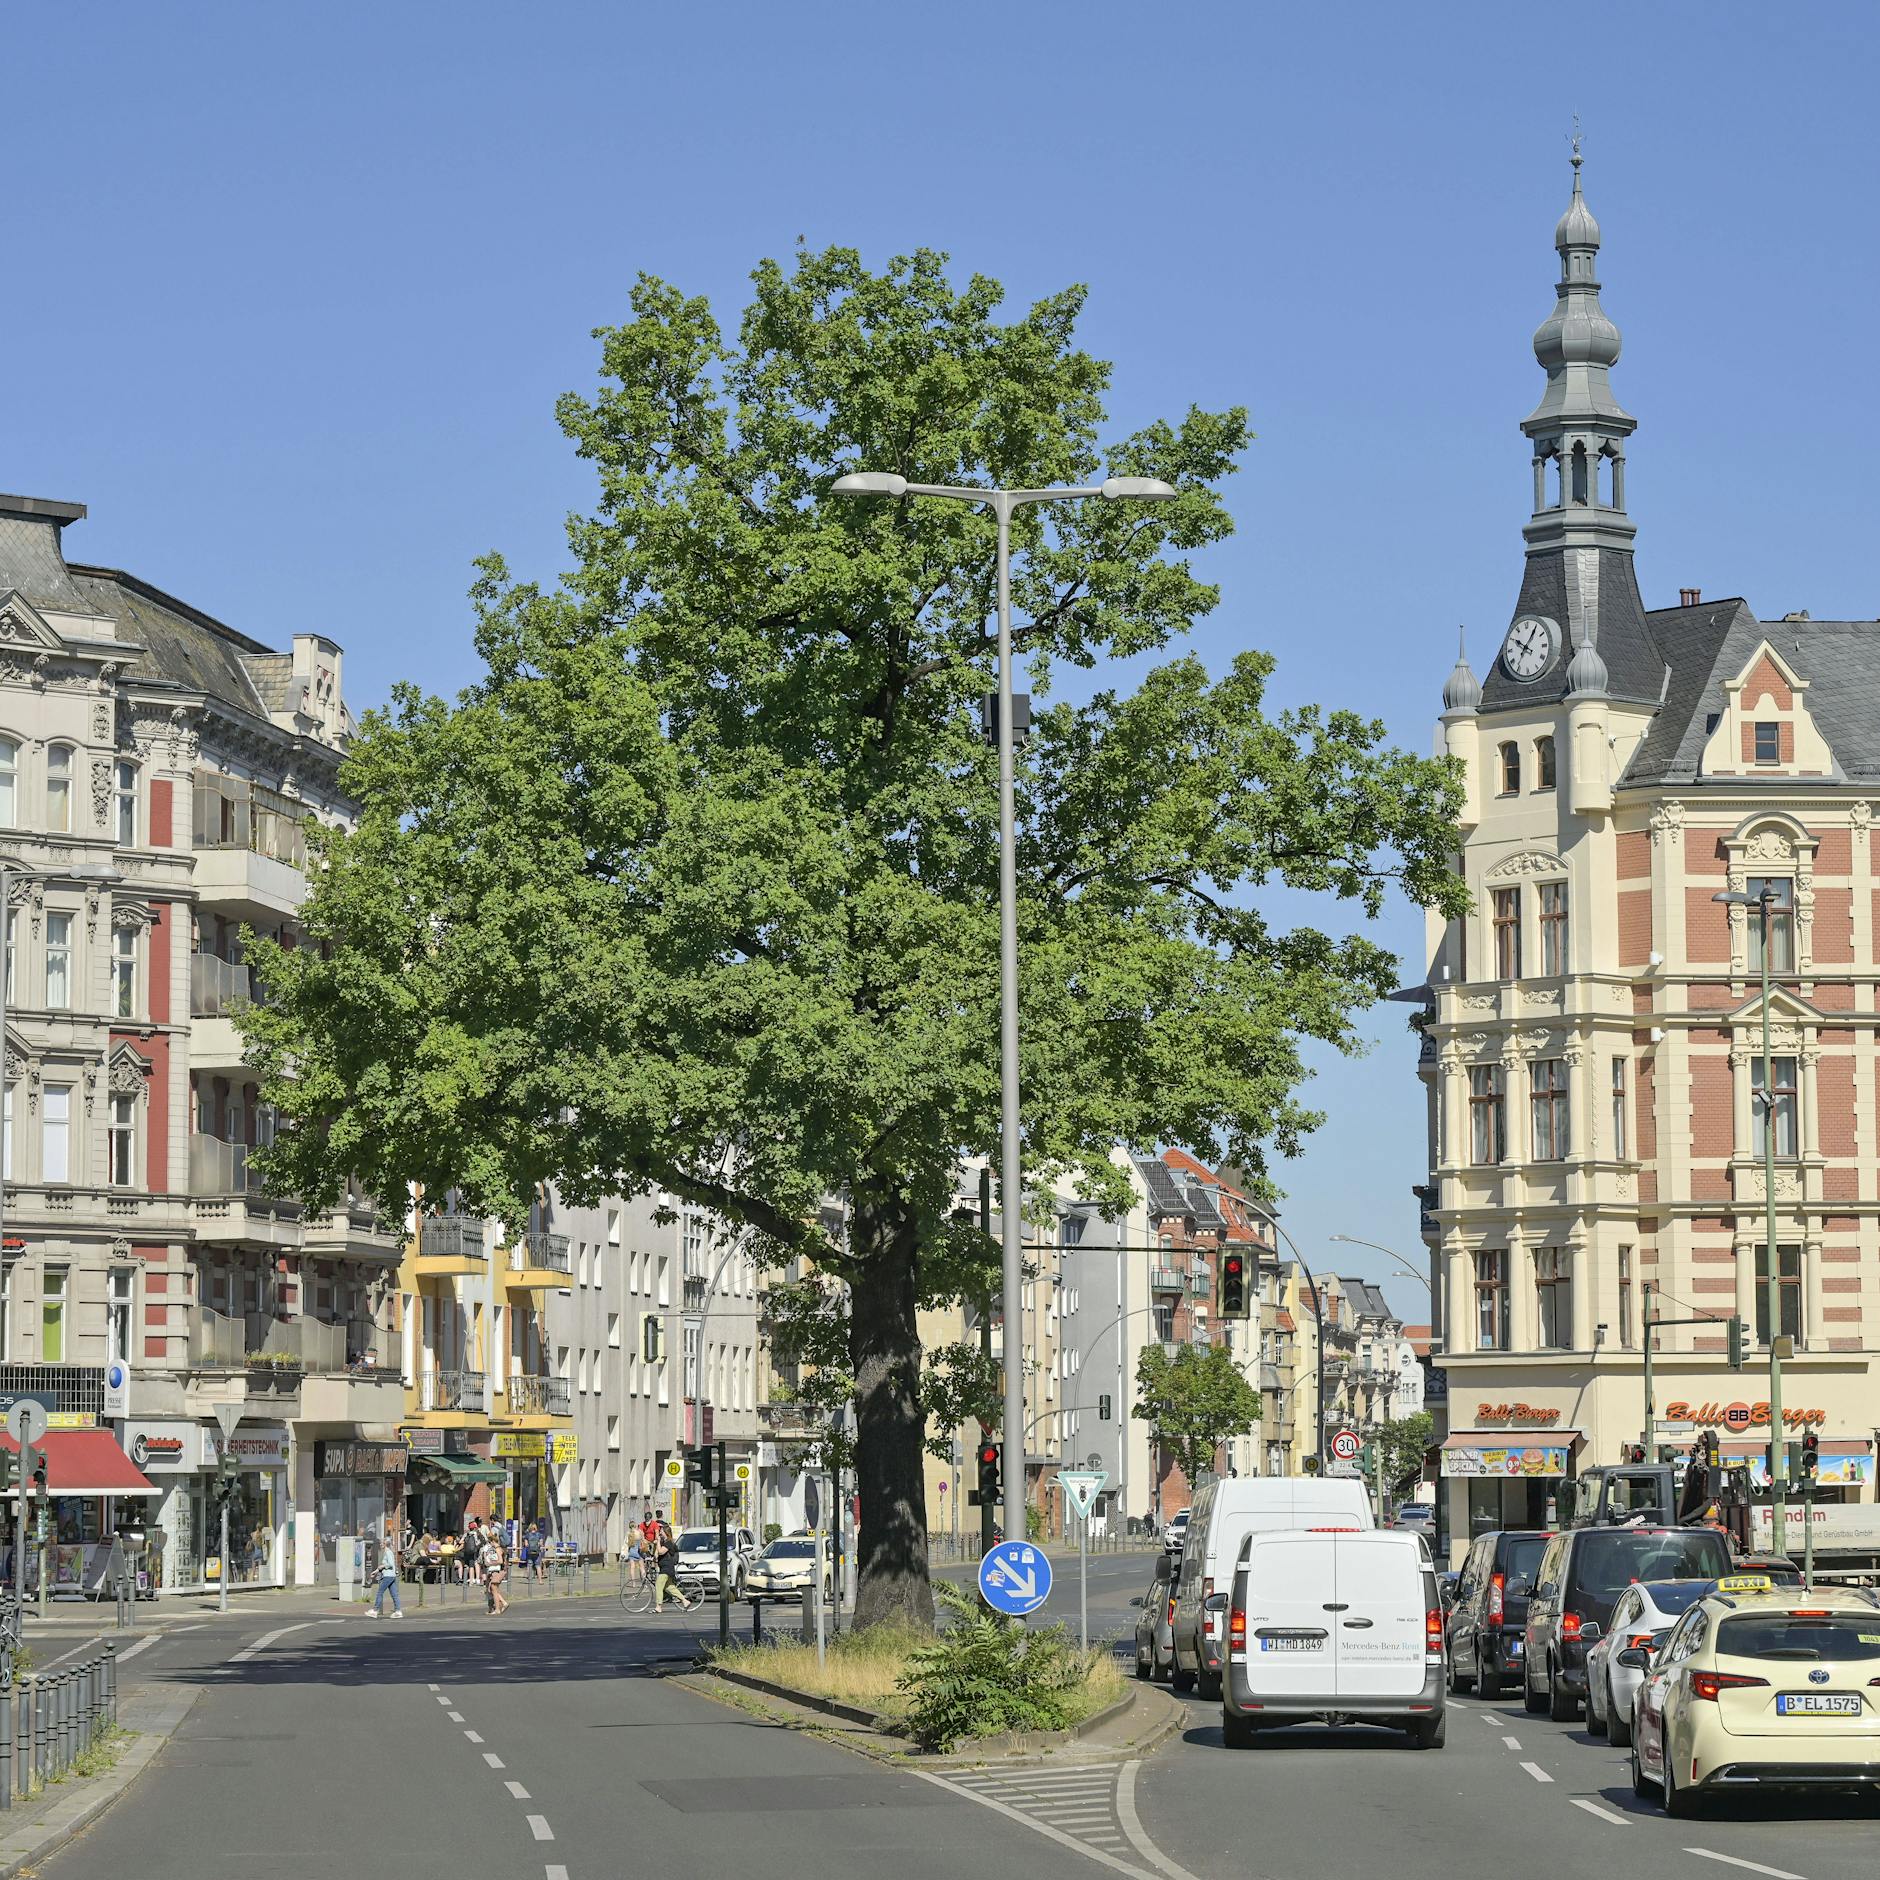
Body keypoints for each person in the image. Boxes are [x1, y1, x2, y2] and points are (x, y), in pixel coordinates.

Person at [370, 1534, 404, 1618]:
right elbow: (385, 1565)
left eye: (381, 1543)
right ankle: (398, 1611)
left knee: (380, 1592)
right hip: (391, 1576)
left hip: (388, 1576)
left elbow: (390, 1564)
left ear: (385, 1544)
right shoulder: (387, 1552)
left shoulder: (388, 1552)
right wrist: (376, 1571)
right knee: (394, 1594)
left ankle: (375, 1610)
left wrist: (383, 1566)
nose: (380, 1544)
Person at [652, 1515, 681, 1610]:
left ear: (665, 1533)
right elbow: (657, 1554)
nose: (659, 1533)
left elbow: (661, 1551)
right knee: (669, 1587)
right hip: (664, 1567)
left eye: (661, 1532)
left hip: (667, 1568)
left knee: (658, 1585)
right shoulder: (664, 1542)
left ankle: (658, 1606)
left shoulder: (669, 1543)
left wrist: (658, 1542)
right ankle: (685, 1601)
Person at [481, 1525, 508, 1615]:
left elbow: (500, 1561)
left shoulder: (498, 1549)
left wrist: (491, 1563)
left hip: (499, 1571)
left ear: (493, 1541)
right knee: (492, 1589)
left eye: (490, 1542)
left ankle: (497, 1609)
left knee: (493, 1589)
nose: (490, 1545)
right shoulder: (497, 1549)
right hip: (497, 1570)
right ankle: (502, 1604)